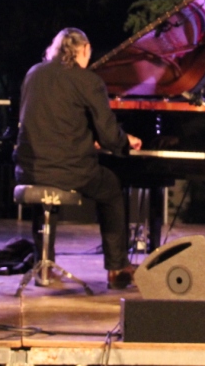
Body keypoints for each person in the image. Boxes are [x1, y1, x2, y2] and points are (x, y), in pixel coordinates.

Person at [15, 28, 142, 289]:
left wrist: (84, 138)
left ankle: (45, 266)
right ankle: (117, 268)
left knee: (45, 192)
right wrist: (124, 140)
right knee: (111, 188)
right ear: (84, 50)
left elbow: (49, 120)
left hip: (28, 168)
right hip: (68, 169)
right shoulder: (88, 81)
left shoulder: (33, 73)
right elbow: (108, 137)